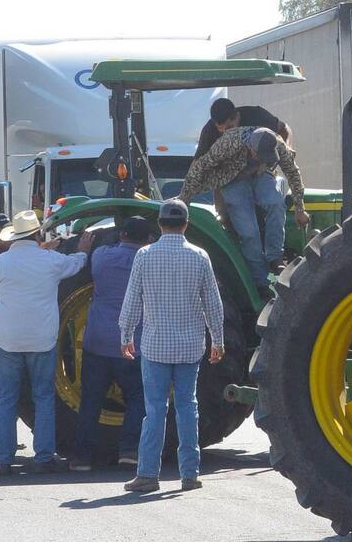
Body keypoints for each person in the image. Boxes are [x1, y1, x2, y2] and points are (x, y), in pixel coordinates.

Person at [119, 199, 224, 493]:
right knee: (188, 407)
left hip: (154, 346)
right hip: (191, 346)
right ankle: (189, 474)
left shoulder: (144, 255)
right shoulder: (200, 256)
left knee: (154, 410)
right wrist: (218, 340)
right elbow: (213, 304)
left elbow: (132, 299)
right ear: (186, 224)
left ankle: (148, 475)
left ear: (160, 224)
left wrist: (126, 335)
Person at [0, 210, 94, 475]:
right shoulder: (50, 260)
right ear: (38, 234)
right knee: (44, 397)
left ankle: (4, 459)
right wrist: (83, 249)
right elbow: (76, 264)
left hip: (7, 339)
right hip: (41, 339)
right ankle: (44, 457)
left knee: (7, 398)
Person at [180, 127, 310, 295]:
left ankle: (275, 257)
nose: (265, 158)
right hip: (232, 179)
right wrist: (185, 198)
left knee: (276, 202)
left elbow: (292, 171)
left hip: (261, 174)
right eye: (262, 155)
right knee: (249, 232)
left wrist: (300, 208)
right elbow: (200, 167)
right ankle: (261, 282)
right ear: (251, 148)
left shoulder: (277, 144)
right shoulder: (227, 144)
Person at [70, 217, 150, 472]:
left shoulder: (102, 256)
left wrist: (83, 248)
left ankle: (81, 457)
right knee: (138, 397)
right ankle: (128, 450)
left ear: (122, 234)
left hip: (98, 341)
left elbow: (99, 248)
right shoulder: (149, 261)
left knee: (91, 399)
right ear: (149, 239)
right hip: (132, 343)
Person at [194, 98, 292, 159]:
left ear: (238, 116)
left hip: (260, 171)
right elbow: (197, 164)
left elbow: (284, 129)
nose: (226, 132)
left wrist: (286, 151)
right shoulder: (209, 130)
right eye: (221, 129)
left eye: (230, 127)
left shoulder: (258, 117)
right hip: (231, 175)